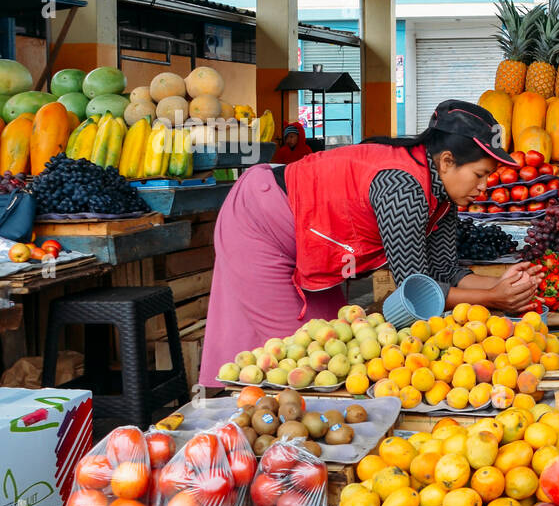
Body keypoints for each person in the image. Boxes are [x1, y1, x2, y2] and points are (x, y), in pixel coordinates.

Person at [199, 100, 538, 387]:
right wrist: (494, 298)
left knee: (337, 338)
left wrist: (504, 286)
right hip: (260, 220)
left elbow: (446, 270)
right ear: (447, 161)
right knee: (299, 351)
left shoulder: (443, 193)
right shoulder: (403, 187)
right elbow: (415, 289)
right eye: (479, 175)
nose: (483, 187)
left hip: (307, 234)